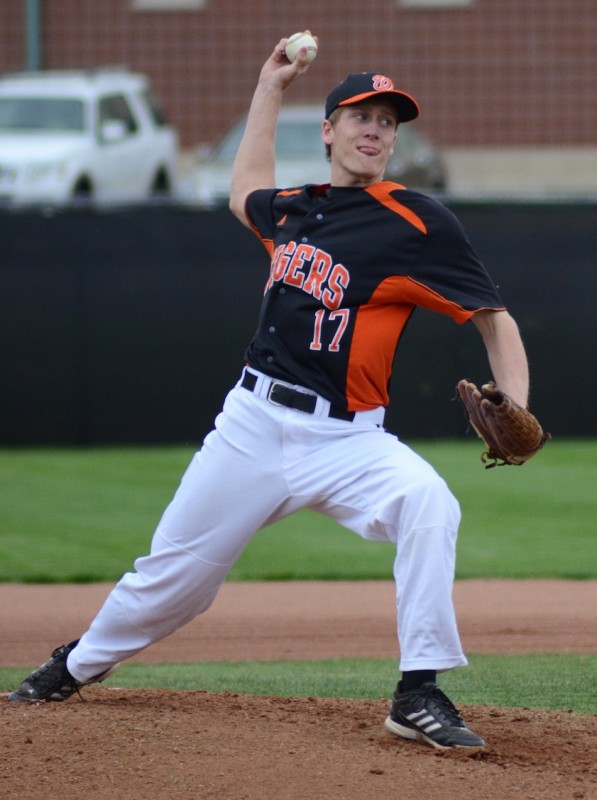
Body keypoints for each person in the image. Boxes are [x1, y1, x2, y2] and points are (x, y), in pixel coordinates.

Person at [9, 35, 531, 752]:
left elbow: (493, 320)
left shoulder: (418, 222)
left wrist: (517, 404)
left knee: (427, 502)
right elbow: (241, 191)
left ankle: (419, 691)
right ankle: (73, 665)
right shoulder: (295, 208)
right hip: (252, 424)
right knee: (175, 579)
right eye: (359, 116)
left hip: (348, 438)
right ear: (328, 131)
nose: (374, 130)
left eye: (386, 121)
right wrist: (269, 86)